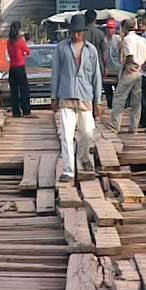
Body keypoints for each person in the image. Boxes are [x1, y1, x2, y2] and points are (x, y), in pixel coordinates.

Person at [51, 14, 103, 183]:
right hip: (66, 96)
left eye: (79, 32)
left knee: (88, 133)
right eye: (73, 32)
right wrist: (53, 97)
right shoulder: (61, 48)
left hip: (85, 96)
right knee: (66, 135)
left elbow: (97, 76)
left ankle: (83, 157)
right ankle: (68, 170)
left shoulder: (91, 50)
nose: (76, 35)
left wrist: (98, 101)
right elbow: (55, 73)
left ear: (84, 32)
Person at [109, 18, 146, 134]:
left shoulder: (127, 39)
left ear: (124, 28)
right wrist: (143, 63)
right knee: (136, 101)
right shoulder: (142, 39)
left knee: (119, 98)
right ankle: (133, 127)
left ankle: (115, 125)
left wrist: (129, 64)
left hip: (130, 70)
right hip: (140, 71)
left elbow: (130, 54)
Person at [7, 21, 33, 118]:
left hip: (12, 68)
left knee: (14, 91)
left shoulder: (9, 41)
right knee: (24, 90)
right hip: (20, 67)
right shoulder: (20, 41)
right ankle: (26, 110)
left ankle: (16, 111)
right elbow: (28, 51)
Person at [103, 18, 121, 109]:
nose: (110, 30)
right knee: (108, 91)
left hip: (117, 70)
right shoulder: (103, 40)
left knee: (118, 92)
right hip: (107, 70)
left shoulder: (118, 40)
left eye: (111, 28)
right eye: (108, 28)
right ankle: (110, 107)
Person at [84, 9, 106, 80]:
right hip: (98, 65)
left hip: (85, 65)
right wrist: (105, 67)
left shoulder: (81, 34)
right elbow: (104, 53)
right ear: (95, 19)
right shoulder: (101, 33)